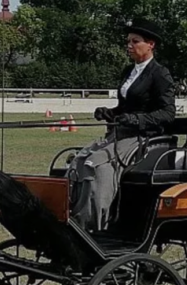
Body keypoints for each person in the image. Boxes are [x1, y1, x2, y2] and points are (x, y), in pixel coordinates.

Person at [67, 18, 176, 232]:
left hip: (144, 138)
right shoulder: (129, 71)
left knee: (95, 165)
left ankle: (94, 224)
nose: (129, 46)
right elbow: (126, 106)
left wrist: (137, 120)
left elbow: (168, 113)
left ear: (150, 44)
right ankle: (72, 218)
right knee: (78, 161)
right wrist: (110, 112)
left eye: (135, 42)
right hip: (120, 133)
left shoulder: (160, 74)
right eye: (128, 41)